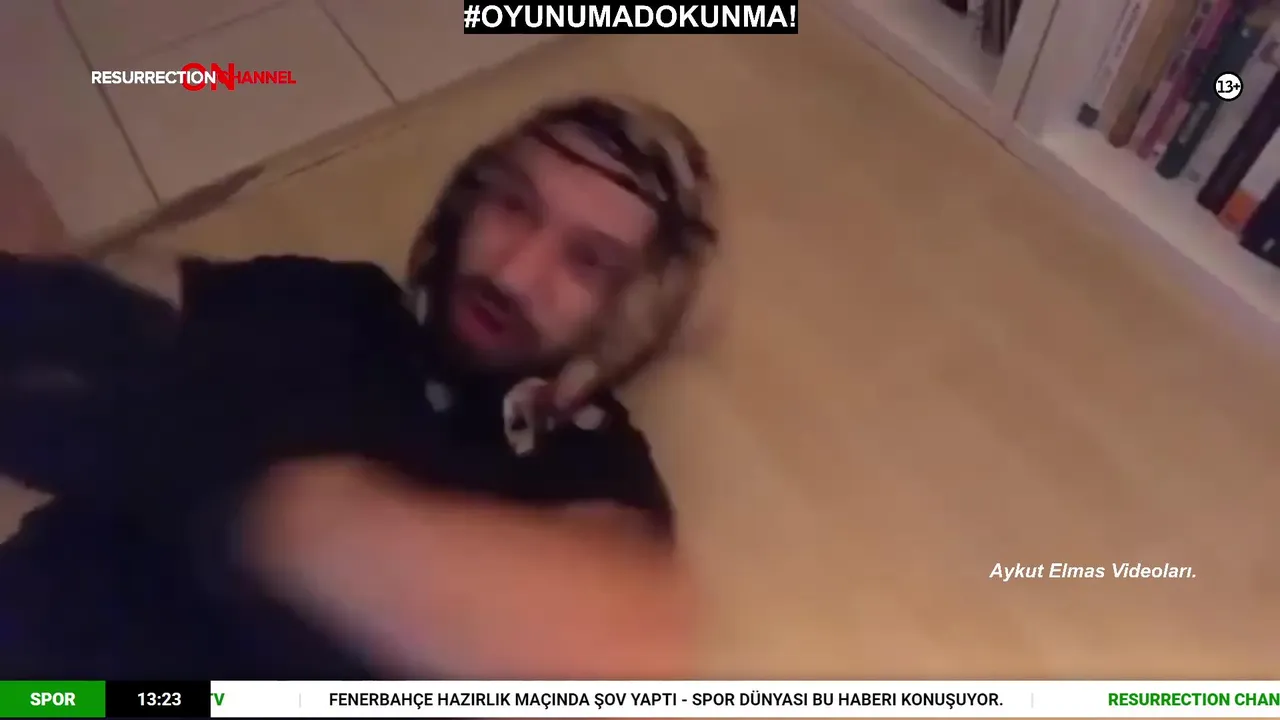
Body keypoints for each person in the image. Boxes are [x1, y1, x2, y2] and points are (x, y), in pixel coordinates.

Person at [0, 96, 718, 679]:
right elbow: (103, 310)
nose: (513, 274)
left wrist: (284, 511)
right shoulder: (336, 301)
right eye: (514, 206)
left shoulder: (589, 465)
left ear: (632, 306)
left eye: (588, 261)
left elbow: (622, 641)